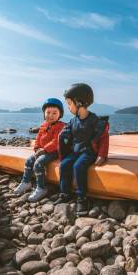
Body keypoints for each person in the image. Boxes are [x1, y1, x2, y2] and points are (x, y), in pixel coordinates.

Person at [56, 83, 109, 216]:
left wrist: (102, 155)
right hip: (76, 151)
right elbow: (65, 134)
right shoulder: (73, 121)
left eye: (69, 103)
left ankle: (82, 197)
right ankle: (65, 193)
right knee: (65, 164)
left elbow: (103, 137)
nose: (68, 107)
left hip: (89, 152)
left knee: (78, 166)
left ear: (79, 102)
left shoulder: (94, 120)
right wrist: (62, 137)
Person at [13, 98, 65, 202]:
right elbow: (38, 138)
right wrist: (37, 148)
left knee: (38, 163)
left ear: (60, 114)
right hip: (42, 150)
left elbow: (56, 141)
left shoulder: (61, 126)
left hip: (55, 151)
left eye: (54, 113)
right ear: (44, 113)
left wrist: (44, 150)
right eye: (48, 112)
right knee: (29, 160)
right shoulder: (43, 125)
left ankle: (41, 187)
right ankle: (26, 182)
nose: (51, 115)